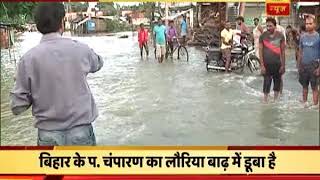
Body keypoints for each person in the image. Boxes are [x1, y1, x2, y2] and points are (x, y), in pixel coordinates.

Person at [10, 3, 103, 146]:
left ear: (38, 24)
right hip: (81, 132)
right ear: (62, 22)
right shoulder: (80, 49)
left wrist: (23, 83)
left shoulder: (27, 59)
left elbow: (17, 107)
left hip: (48, 136)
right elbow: (98, 63)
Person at [259, 17, 286, 103]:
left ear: (275, 26)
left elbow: (283, 52)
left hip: (277, 64)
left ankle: (275, 101)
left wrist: (283, 65)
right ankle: (265, 101)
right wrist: (262, 65)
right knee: (266, 83)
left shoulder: (280, 36)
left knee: (277, 83)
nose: (268, 28)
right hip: (266, 65)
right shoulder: (263, 36)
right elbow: (260, 51)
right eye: (267, 26)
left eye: (270, 26)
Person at [297, 16, 320, 107]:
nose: (308, 25)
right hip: (304, 65)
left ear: (315, 24)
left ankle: (315, 106)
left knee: (314, 87)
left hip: (314, 65)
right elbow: (300, 51)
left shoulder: (318, 37)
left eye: (310, 23)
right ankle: (305, 104)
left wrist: (319, 68)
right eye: (306, 24)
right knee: (304, 86)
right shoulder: (303, 37)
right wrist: (299, 65)